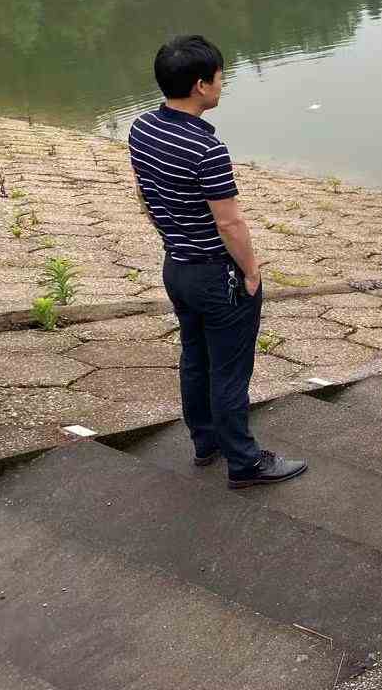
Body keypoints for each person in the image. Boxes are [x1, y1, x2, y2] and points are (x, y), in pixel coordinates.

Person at [128, 35, 306, 490]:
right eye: (220, 77)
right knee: (229, 370)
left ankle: (205, 442)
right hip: (216, 273)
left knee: (195, 357)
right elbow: (229, 222)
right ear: (201, 86)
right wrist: (251, 271)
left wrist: (173, 235)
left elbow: (145, 194)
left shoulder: (142, 128)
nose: (223, 85)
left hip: (177, 267)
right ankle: (244, 462)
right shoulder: (207, 149)